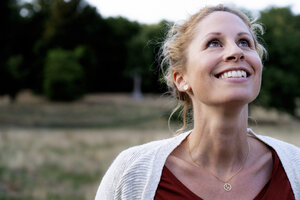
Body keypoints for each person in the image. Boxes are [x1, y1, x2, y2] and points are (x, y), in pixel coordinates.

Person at [95, 4, 300, 200]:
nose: (236, 51)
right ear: (181, 79)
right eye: (214, 43)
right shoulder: (131, 172)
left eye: (245, 42)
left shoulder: (295, 167)